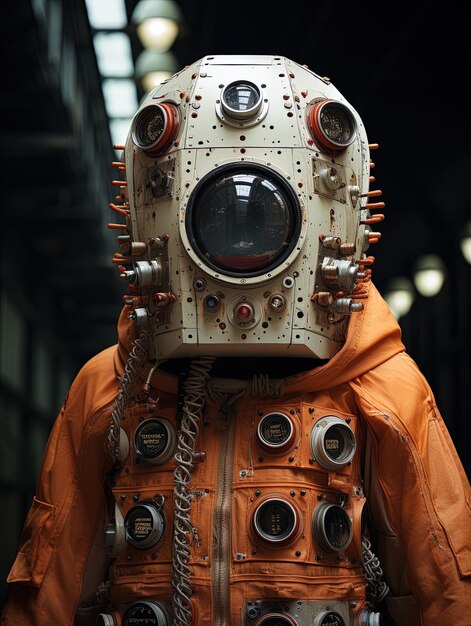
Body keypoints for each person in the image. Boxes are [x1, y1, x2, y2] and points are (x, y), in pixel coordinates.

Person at [2, 55, 470, 626]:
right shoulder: (112, 389)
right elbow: (52, 584)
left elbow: (444, 585)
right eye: (220, 215)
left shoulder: (381, 389)